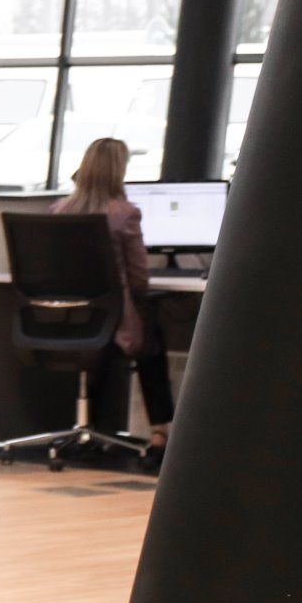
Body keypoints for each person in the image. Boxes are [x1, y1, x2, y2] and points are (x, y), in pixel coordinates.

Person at [51, 137, 174, 459]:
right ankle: (160, 431)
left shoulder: (59, 211)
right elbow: (139, 279)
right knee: (152, 338)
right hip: (111, 325)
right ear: (119, 171)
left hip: (64, 321)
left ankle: (94, 427)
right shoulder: (125, 213)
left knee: (108, 341)